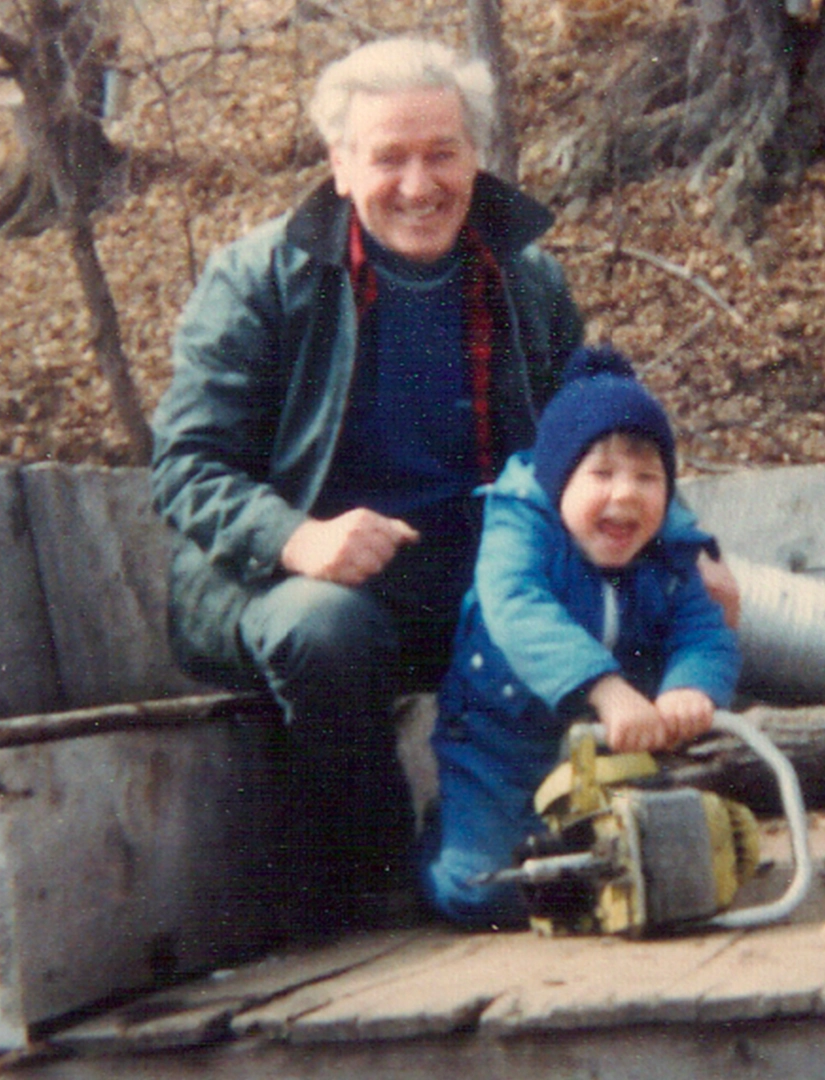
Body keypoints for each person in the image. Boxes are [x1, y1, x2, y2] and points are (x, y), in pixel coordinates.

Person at [148, 37, 586, 907]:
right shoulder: (257, 278)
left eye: (442, 153)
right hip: (283, 580)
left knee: (627, 596)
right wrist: (298, 538)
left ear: (478, 156)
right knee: (325, 628)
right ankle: (373, 880)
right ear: (340, 166)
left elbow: (597, 440)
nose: (419, 186)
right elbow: (187, 465)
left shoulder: (527, 277)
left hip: (468, 577)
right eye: (389, 158)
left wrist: (685, 548)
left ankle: (568, 837)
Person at [423, 347, 742, 929]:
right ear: (558, 480)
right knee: (477, 891)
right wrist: (605, 687)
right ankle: (441, 833)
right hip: (500, 743)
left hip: (612, 748)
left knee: (648, 861)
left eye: (648, 478)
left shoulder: (669, 552)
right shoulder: (519, 524)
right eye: (601, 474)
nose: (625, 495)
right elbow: (516, 607)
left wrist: (690, 687)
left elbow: (704, 630)